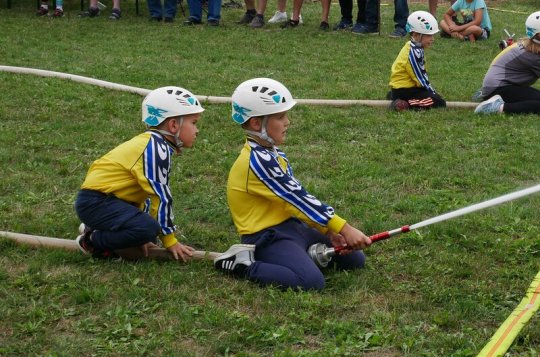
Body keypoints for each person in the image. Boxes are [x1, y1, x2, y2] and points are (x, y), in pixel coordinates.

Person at [213, 78, 371, 291]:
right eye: (280, 116)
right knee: (311, 282)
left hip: (293, 226)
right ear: (256, 123)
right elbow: (297, 198)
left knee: (354, 259)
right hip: (265, 236)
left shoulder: (272, 153)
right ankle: (245, 265)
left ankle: (298, 255)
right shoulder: (257, 162)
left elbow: (292, 203)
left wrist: (327, 231)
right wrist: (344, 227)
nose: (287, 121)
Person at [74, 86, 204, 261]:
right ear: (173, 125)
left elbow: (145, 194)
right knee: (147, 228)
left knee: (146, 230)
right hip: (97, 202)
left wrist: (143, 236)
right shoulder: (155, 149)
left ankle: (96, 228)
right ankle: (91, 241)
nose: (197, 130)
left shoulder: (154, 144)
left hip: (105, 201)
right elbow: (161, 197)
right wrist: (170, 241)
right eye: (194, 123)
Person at [475, 12, 540, 115]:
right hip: (498, 88)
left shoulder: (530, 46)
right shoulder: (533, 56)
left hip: (499, 85)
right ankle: (496, 107)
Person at [388, 10, 446, 111]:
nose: (432, 39)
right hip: (404, 89)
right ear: (416, 34)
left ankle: (395, 96)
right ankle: (405, 104)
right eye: (428, 35)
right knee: (439, 102)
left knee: (431, 96)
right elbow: (421, 79)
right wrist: (433, 93)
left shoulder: (414, 46)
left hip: (404, 87)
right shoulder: (413, 52)